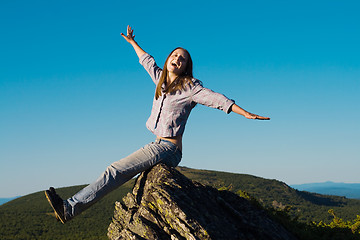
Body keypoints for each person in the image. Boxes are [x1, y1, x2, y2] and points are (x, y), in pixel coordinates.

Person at [45, 25, 270, 224]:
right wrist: (133, 42)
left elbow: (217, 99)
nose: (177, 59)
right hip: (158, 143)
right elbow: (147, 61)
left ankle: (69, 209)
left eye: (182, 59)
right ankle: (70, 208)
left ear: (186, 67)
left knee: (114, 170)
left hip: (168, 149)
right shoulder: (161, 81)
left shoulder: (191, 88)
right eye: (174, 55)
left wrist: (245, 113)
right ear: (168, 59)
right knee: (118, 172)